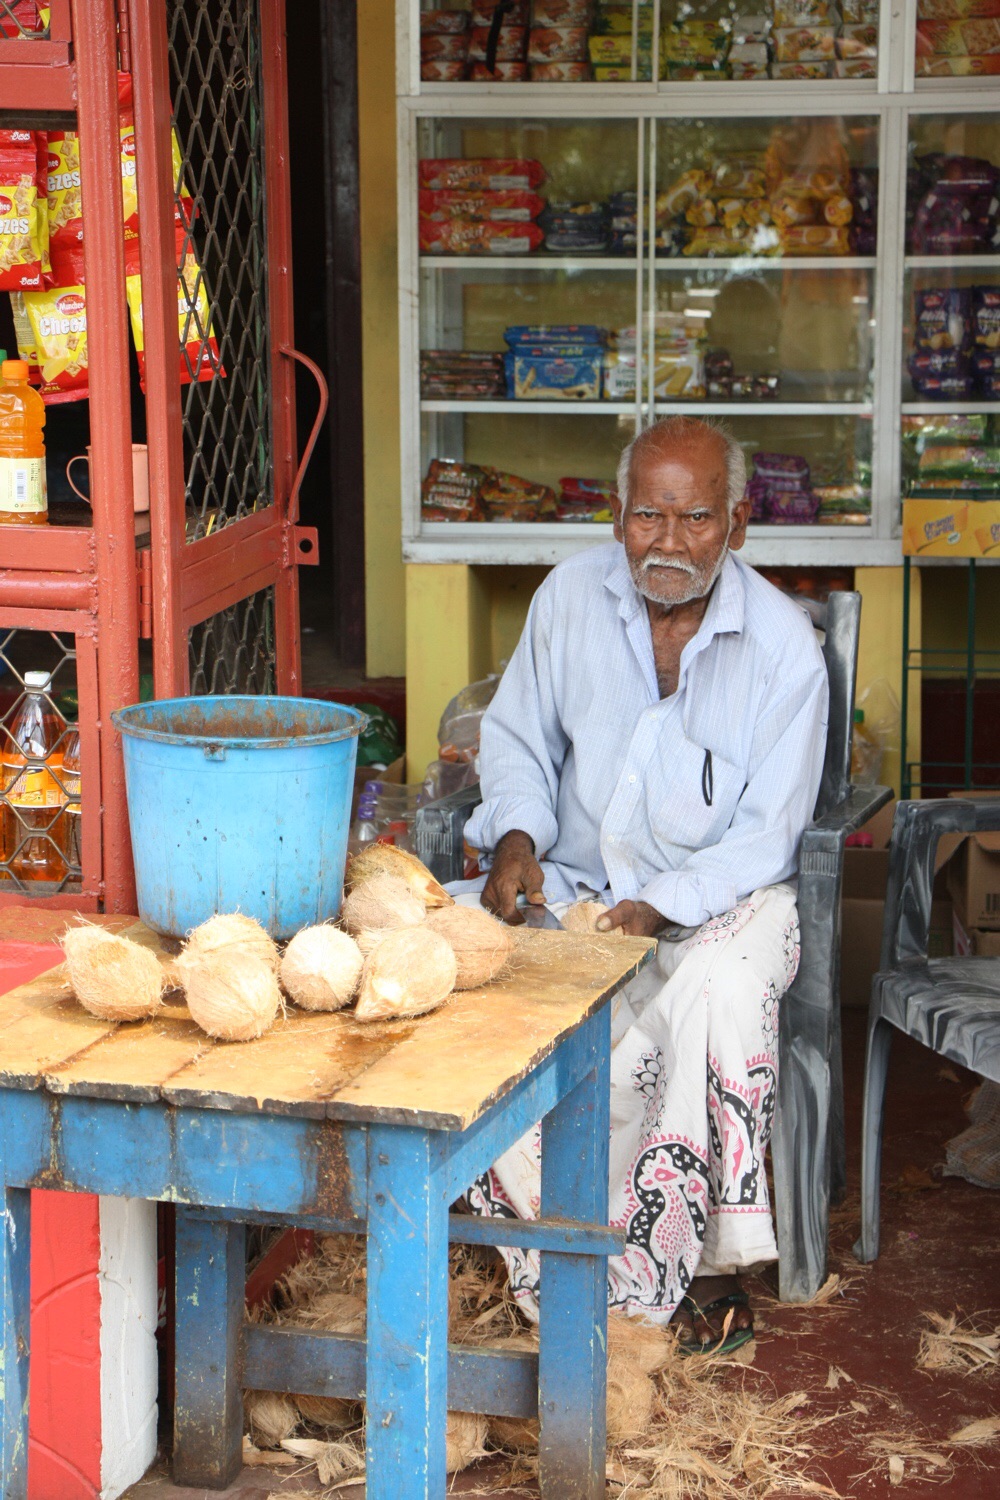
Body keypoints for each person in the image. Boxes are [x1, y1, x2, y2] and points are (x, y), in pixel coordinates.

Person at [458, 415, 829, 1354]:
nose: (667, 544)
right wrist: (514, 842)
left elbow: (768, 836)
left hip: (723, 903)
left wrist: (659, 907)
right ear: (618, 516)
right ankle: (543, 1255)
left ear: (738, 525)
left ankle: (711, 1268)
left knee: (719, 986)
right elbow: (515, 744)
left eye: (695, 519)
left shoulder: (785, 649)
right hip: (579, 888)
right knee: (454, 978)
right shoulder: (568, 599)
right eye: (645, 519)